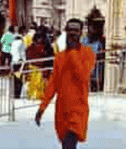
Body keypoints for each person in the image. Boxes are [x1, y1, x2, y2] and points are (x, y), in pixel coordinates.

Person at [35, 19, 96, 149]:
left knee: (69, 144)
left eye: (76, 31)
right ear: (66, 32)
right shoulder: (60, 57)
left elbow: (83, 77)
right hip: (62, 112)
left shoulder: (88, 53)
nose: (73, 34)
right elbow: (53, 84)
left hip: (78, 110)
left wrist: (73, 53)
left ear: (81, 34)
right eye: (70, 31)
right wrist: (42, 107)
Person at [11, 26, 28, 98]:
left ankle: (15, 93)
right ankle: (18, 93)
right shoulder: (21, 43)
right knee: (19, 79)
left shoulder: (13, 44)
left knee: (15, 78)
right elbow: (23, 54)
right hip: (20, 62)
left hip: (14, 62)